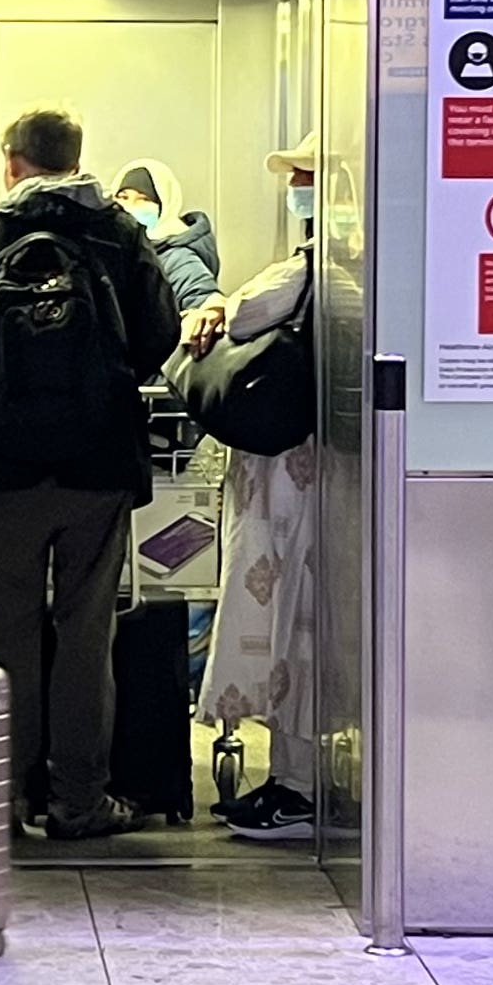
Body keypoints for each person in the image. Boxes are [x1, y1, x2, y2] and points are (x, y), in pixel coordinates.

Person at [0, 105, 179, 841]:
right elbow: (156, 337)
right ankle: (78, 800)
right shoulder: (119, 232)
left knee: (5, 638)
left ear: (10, 161)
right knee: (84, 635)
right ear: (77, 157)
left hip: (3, 466)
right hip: (97, 465)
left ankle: (1, 799)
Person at [191, 133, 321, 842]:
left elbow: (235, 316)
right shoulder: (331, 267)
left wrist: (209, 309)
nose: (295, 186)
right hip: (307, 471)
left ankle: (297, 786)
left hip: (290, 478)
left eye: (306, 175)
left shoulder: (306, 270)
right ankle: (291, 779)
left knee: (290, 624)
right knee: (296, 628)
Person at [112, 158, 222, 316]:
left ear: (164, 207)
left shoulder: (175, 256)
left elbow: (202, 296)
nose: (129, 207)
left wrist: (211, 310)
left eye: (144, 199)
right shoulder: (113, 246)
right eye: (123, 197)